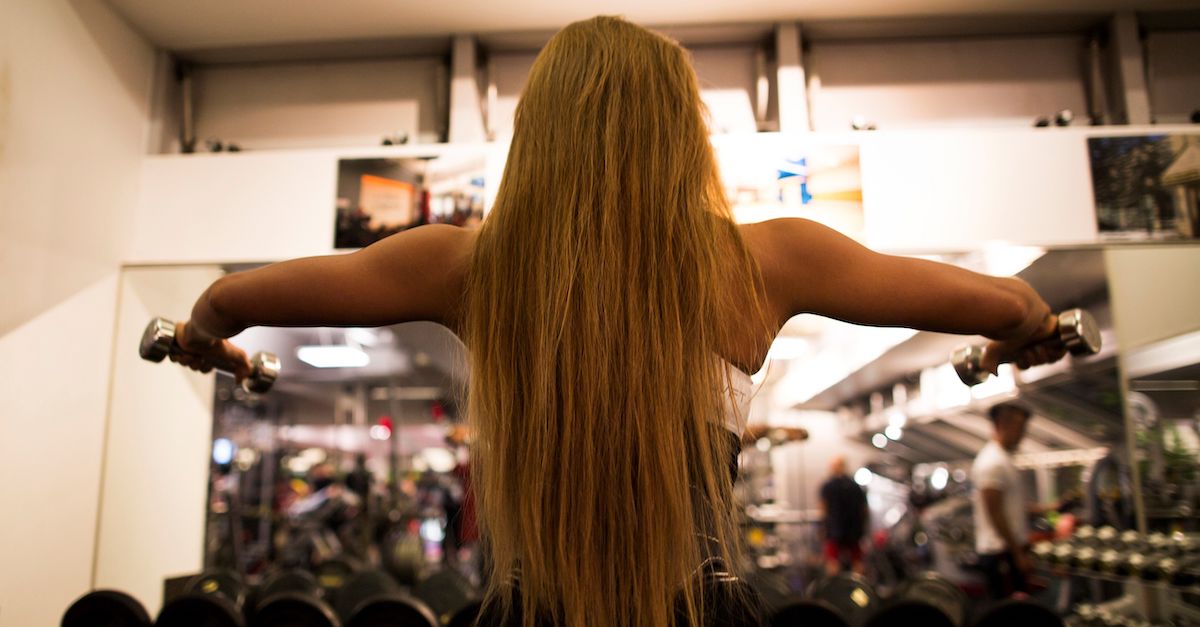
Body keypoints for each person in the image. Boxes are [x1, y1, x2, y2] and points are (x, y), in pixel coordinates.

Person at [163, 16, 1066, 627]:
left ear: (542, 133)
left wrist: (206, 333)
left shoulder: (466, 264)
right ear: (681, 132)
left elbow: (236, 298)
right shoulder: (772, 258)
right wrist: (1023, 325)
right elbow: (1009, 304)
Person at [972, 402, 1056, 599]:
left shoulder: (1002, 459)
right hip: (1000, 553)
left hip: (1006, 550)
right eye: (1019, 427)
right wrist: (1017, 552)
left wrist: (1049, 508)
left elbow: (1010, 508)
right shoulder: (992, 462)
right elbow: (995, 511)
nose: (1022, 434)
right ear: (1003, 424)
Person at [819, 456, 868, 577]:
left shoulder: (828, 486)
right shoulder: (855, 486)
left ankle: (834, 590)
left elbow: (823, 508)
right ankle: (859, 586)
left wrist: (823, 527)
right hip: (854, 530)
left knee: (833, 562)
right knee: (857, 562)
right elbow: (864, 510)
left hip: (834, 529)